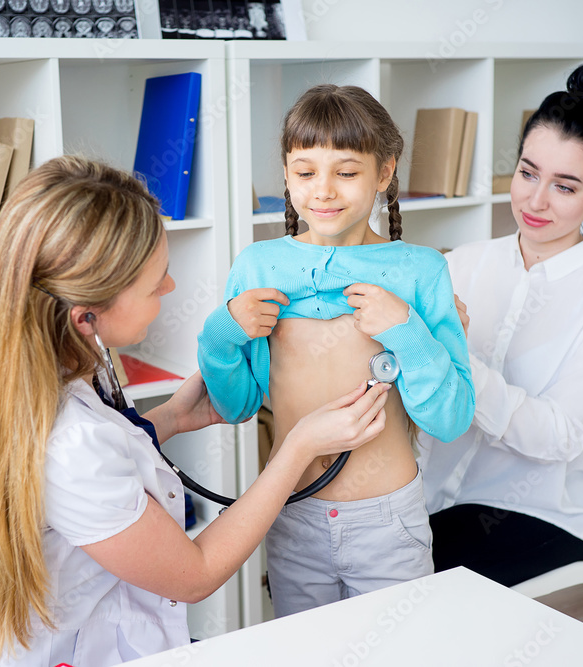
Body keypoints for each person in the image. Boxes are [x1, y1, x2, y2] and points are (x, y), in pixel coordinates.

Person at [0, 156, 391, 667]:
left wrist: (171, 418)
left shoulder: (53, 362)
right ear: (86, 316)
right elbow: (193, 574)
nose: (170, 289)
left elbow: (99, 459)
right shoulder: (70, 443)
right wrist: (297, 448)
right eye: (156, 284)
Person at [197, 85, 475, 617]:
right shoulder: (257, 266)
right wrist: (220, 334)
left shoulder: (420, 270)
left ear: (385, 173)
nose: (323, 190)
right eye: (305, 172)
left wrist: (408, 331)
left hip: (389, 524)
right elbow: (236, 406)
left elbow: (452, 418)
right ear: (285, 172)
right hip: (289, 513)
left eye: (346, 172)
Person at [418, 62, 583, 587]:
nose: (535, 201)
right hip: (430, 500)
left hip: (540, 515)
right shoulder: (462, 264)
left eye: (565, 187)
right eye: (527, 173)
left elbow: (561, 436)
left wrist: (449, 356)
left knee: (414, 592)